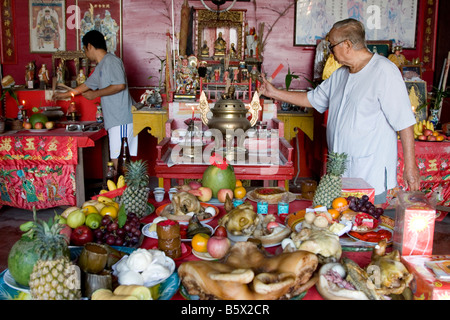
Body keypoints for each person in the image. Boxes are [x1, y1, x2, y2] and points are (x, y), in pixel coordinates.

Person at [259, 18, 420, 204]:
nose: (330, 51)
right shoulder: (340, 74)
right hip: (339, 173)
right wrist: (274, 92)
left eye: (332, 45)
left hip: (369, 170)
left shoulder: (384, 72)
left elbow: (404, 122)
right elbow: (311, 99)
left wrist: (410, 166)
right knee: (340, 222)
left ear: (347, 45)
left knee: (366, 224)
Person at [53, 30, 137, 169]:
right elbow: (86, 85)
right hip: (115, 120)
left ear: (90, 46)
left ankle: (124, 190)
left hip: (121, 119)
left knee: (121, 160)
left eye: (85, 49)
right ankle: (121, 189)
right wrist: (62, 95)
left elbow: (120, 85)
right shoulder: (101, 65)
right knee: (117, 159)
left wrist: (96, 94)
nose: (85, 53)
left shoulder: (111, 61)